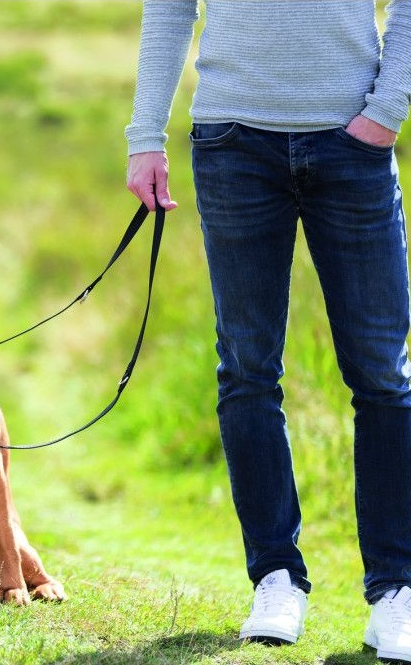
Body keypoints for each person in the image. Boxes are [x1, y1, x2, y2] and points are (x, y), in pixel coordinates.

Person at [125, 1, 411, 659]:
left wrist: (387, 110)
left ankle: (396, 589)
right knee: (248, 368)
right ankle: (276, 576)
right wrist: (145, 136)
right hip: (232, 144)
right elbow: (169, 8)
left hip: (354, 144)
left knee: (381, 373)